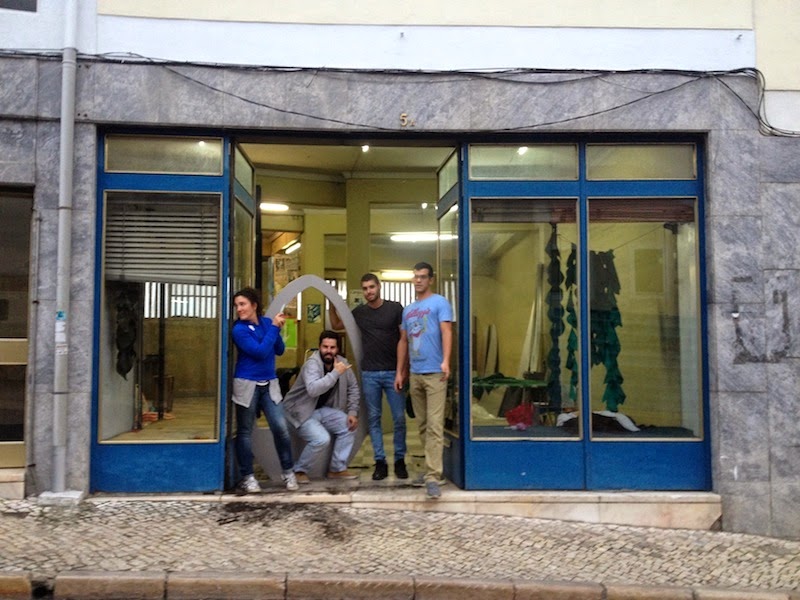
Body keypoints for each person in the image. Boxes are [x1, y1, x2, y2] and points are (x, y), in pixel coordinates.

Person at [329, 273, 408, 481]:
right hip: (369, 373)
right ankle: (380, 461)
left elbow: (404, 339)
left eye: (371, 287)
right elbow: (336, 325)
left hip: (393, 373)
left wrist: (401, 371)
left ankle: (400, 460)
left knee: (399, 418)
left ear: (378, 287)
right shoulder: (360, 313)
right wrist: (331, 303)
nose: (368, 291)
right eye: (365, 288)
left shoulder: (395, 309)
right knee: (373, 419)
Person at [231, 287, 298, 494]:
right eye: (237, 305)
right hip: (246, 384)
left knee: (280, 428)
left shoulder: (267, 323)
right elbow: (259, 352)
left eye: (242, 304)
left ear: (254, 305)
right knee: (244, 431)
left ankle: (288, 471)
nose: (239, 309)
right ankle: (248, 477)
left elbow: (279, 349)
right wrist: (274, 329)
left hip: (269, 383)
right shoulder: (238, 330)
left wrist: (276, 328)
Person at [395, 262, 453, 500]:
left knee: (435, 426)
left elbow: (447, 332)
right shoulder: (408, 310)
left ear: (431, 279)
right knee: (421, 425)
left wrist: (446, 361)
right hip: (416, 374)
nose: (418, 280)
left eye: (422, 277)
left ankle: (433, 476)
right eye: (415, 277)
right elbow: (403, 341)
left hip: (435, 374)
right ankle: (431, 469)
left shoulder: (440, 303)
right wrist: (400, 372)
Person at [283, 330, 361, 482]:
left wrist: (352, 412)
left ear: (337, 349)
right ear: (319, 347)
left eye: (332, 347)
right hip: (299, 412)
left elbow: (353, 388)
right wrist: (335, 373)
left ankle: (337, 469)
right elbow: (313, 389)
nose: (328, 351)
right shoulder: (312, 364)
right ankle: (299, 471)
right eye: (325, 347)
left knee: (349, 426)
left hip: (321, 411)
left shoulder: (342, 364)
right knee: (321, 439)